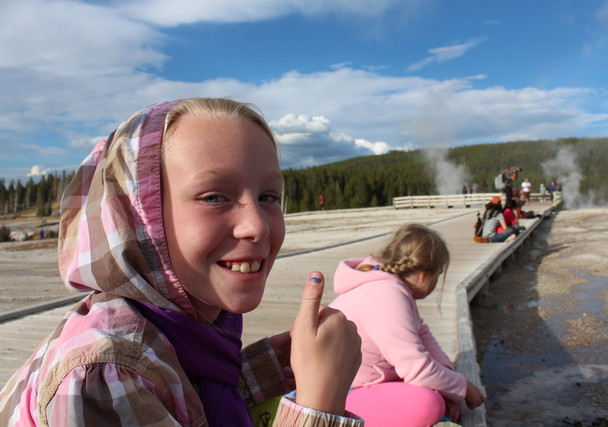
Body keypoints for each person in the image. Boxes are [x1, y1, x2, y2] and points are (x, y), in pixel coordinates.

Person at [0, 98, 363, 426]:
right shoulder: (104, 372)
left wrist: (267, 369)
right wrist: (319, 403)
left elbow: (181, 395)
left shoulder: (181, 326)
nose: (256, 225)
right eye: (214, 197)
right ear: (139, 218)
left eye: (268, 196)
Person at [328, 224, 486, 426]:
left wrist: (449, 387)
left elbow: (424, 337)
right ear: (423, 275)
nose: (437, 281)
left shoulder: (392, 287)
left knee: (434, 395)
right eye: (437, 275)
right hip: (339, 398)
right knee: (427, 404)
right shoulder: (387, 294)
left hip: (356, 387)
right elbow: (416, 369)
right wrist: (462, 387)